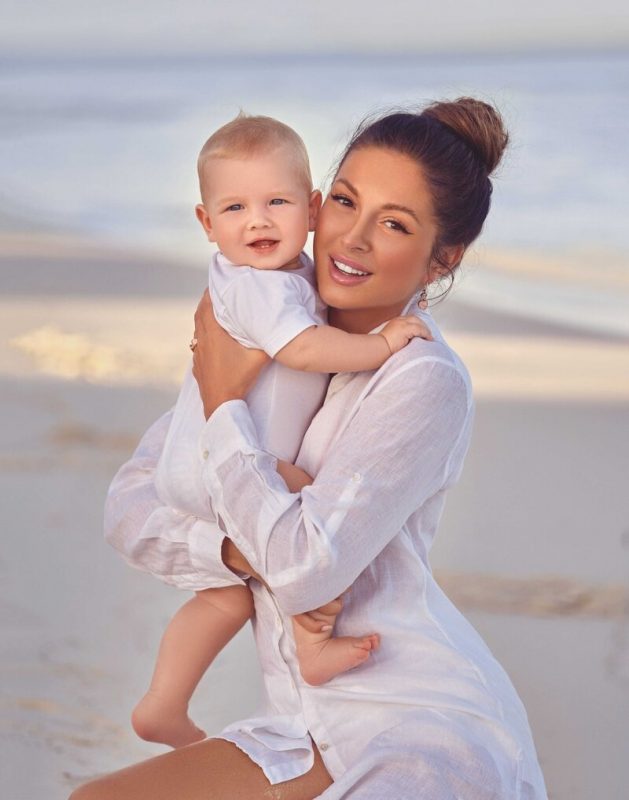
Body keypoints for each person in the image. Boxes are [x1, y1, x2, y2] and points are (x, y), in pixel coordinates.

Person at [72, 98, 548, 799]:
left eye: (393, 224)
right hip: (308, 724)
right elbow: (133, 505)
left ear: (442, 259)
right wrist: (236, 552)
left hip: (416, 726)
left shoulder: (421, 377)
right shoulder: (268, 318)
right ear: (317, 204)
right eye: (346, 203)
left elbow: (303, 570)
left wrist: (225, 403)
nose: (352, 239)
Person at [132, 114, 430, 750]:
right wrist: (380, 346)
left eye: (277, 203)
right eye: (234, 208)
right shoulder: (257, 287)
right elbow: (301, 349)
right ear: (206, 223)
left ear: (312, 209)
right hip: (228, 453)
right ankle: (311, 644)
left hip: (203, 456)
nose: (257, 222)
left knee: (227, 598)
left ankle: (163, 702)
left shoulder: (283, 276)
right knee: (313, 510)